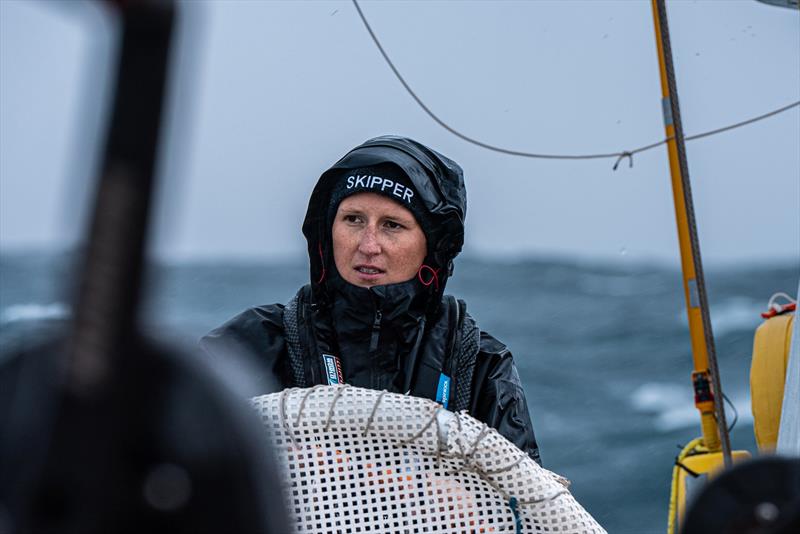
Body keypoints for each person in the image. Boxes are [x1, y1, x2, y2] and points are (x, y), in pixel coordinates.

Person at [201, 135, 541, 464]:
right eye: (353, 219)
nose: (368, 245)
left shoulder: (481, 365)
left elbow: (527, 505)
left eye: (392, 225)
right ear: (327, 231)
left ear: (432, 249)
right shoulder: (254, 343)